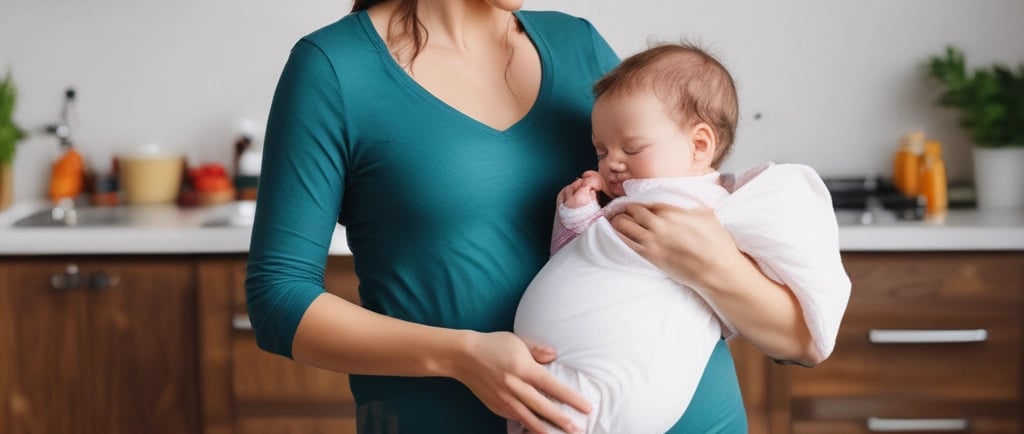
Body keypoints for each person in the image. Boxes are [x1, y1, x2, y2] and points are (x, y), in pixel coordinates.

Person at [245, 1, 831, 433]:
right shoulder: (336, 69)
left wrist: (716, 266)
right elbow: (279, 302)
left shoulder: (578, 46)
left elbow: (801, 341)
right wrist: (461, 356)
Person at [508, 43, 852, 434]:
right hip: (544, 380)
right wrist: (577, 215)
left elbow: (799, 318)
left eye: (631, 148)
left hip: (612, 394)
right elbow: (573, 260)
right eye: (601, 151)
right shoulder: (624, 206)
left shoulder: (711, 209)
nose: (612, 163)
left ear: (699, 146)